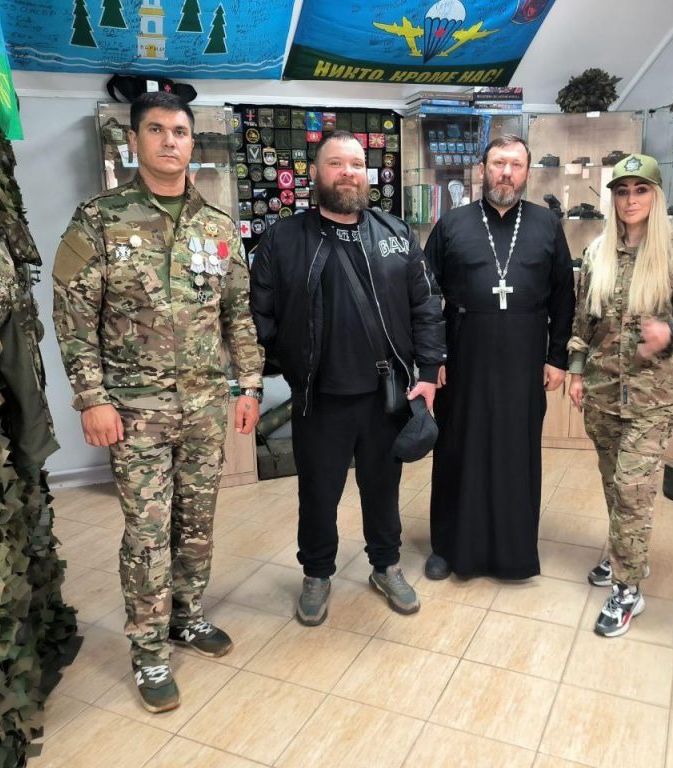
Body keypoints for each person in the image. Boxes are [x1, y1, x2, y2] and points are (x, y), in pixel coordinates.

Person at [52, 91, 264, 712]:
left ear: (192, 142)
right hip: (133, 411)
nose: (170, 140)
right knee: (148, 533)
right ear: (134, 141)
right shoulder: (99, 219)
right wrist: (91, 398)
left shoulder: (217, 226)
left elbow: (238, 316)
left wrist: (248, 386)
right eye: (156, 130)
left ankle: (186, 616)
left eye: (180, 131)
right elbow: (73, 319)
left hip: (204, 407)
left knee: (196, 523)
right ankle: (148, 650)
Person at [249, 130, 445, 626]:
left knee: (383, 490)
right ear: (316, 172)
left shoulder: (396, 233)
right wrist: (288, 368)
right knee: (318, 495)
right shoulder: (283, 239)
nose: (347, 173)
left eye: (356, 164)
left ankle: (386, 565)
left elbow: (425, 306)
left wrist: (427, 373)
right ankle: (317, 574)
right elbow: (260, 316)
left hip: (386, 396)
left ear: (367, 174)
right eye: (336, 163)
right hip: (318, 399)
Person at [567, 154, 673, 637]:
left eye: (640, 190)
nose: (630, 200)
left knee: (634, 488)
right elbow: (583, 321)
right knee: (614, 482)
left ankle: (627, 588)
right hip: (602, 390)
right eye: (622, 191)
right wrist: (575, 372)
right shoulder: (597, 253)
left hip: (654, 395)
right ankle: (625, 556)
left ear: (655, 195)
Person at [424, 135, 575, 581]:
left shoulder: (547, 225)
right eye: (497, 163)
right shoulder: (452, 224)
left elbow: (564, 296)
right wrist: (433, 358)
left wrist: (557, 357)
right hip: (463, 359)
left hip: (524, 360)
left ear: (527, 173)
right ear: (482, 169)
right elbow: (425, 296)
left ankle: (514, 553)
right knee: (458, 451)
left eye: (515, 164)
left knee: (515, 453)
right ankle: (449, 548)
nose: (506, 173)